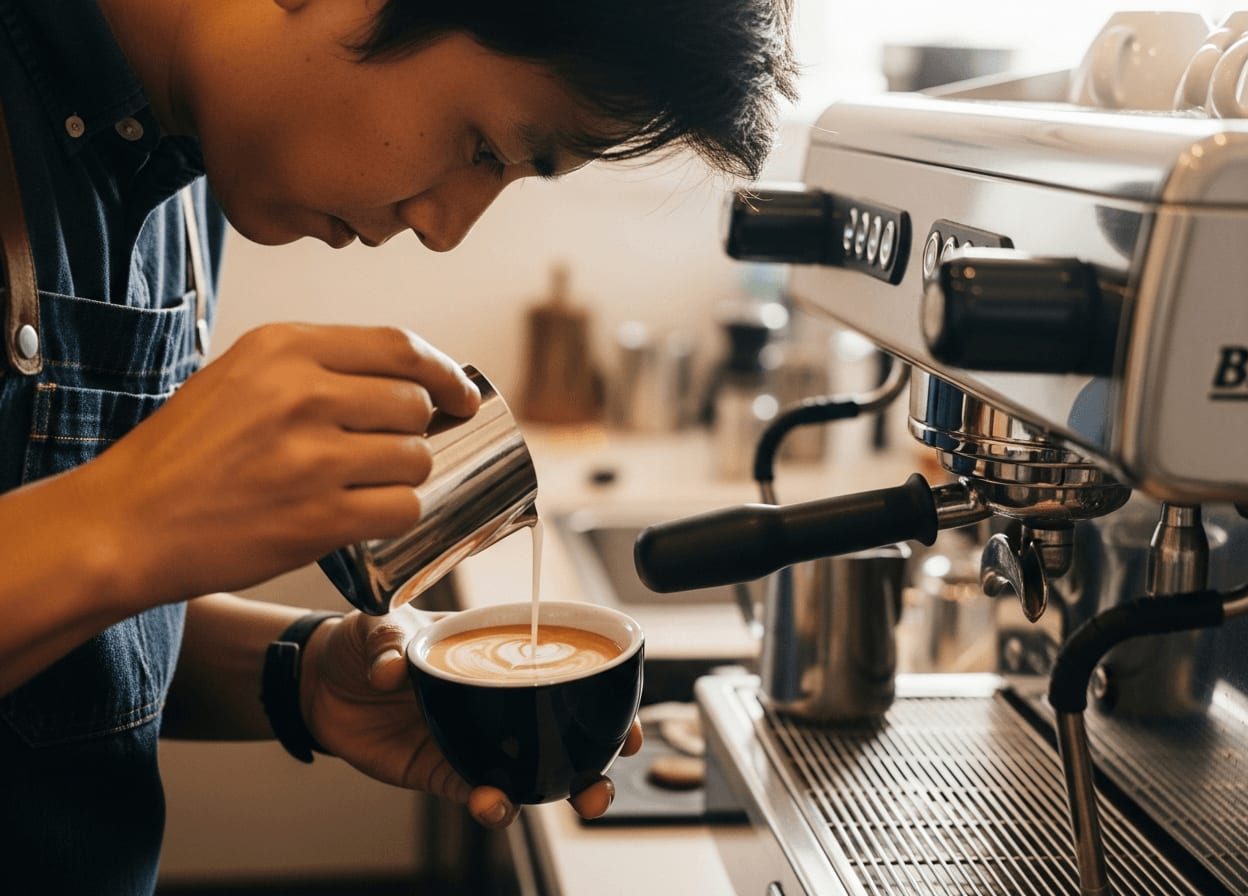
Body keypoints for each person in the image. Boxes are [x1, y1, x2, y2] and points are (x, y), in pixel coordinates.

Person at [0, 0, 797, 891]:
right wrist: (131, 516)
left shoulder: (189, 173)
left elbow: (65, 636)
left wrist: (298, 676)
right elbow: (93, 549)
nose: (447, 229)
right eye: (486, 148)